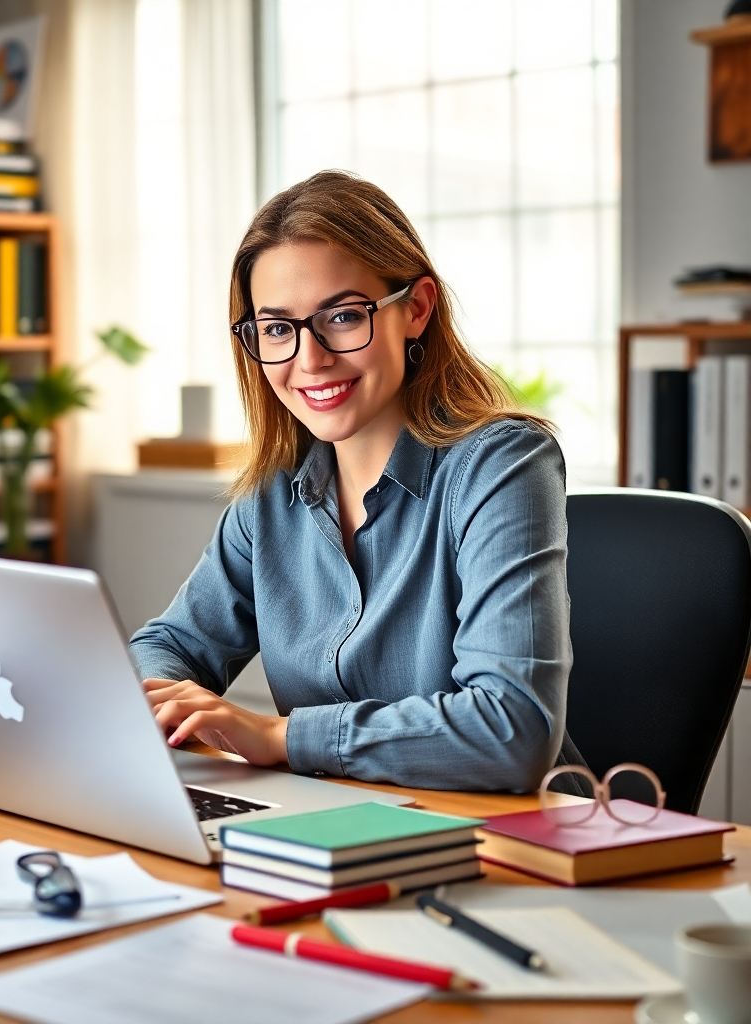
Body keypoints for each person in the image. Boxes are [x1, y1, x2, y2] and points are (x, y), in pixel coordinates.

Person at [131, 170, 576, 792]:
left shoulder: (502, 466)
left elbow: (512, 729)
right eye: (278, 328)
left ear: (415, 309)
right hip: (336, 821)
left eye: (342, 316)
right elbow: (168, 644)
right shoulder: (272, 495)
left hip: (505, 839)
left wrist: (278, 736)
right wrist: (168, 703)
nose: (309, 360)